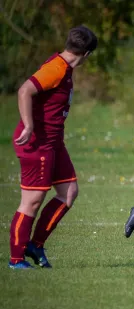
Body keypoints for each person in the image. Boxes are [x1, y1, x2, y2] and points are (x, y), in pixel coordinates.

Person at [8, 26, 98, 269]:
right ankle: (16, 259)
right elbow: (25, 90)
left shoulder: (64, 67)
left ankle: (35, 245)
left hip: (54, 143)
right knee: (33, 200)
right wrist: (28, 125)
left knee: (68, 193)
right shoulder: (57, 69)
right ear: (87, 54)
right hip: (37, 142)